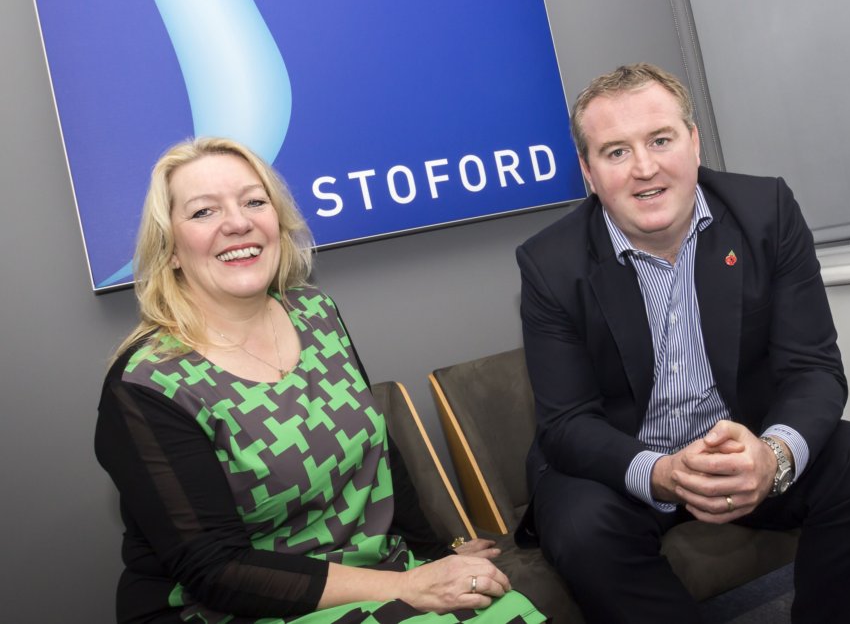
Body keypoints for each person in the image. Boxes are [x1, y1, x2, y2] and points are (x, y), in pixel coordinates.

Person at [96, 137, 546, 624]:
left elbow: (380, 457)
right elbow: (218, 571)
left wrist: (435, 556)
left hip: (372, 575)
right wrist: (408, 586)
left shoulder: (315, 313)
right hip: (236, 608)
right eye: (203, 212)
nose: (238, 223)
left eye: (254, 202)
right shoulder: (147, 383)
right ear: (170, 251)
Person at [515, 63, 850, 622]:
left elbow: (813, 368)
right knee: (581, 530)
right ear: (589, 173)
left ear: (694, 143)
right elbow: (567, 422)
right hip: (623, 461)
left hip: (744, 443)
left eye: (661, 140)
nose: (645, 168)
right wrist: (663, 472)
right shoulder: (549, 263)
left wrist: (771, 456)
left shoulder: (765, 212)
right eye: (616, 152)